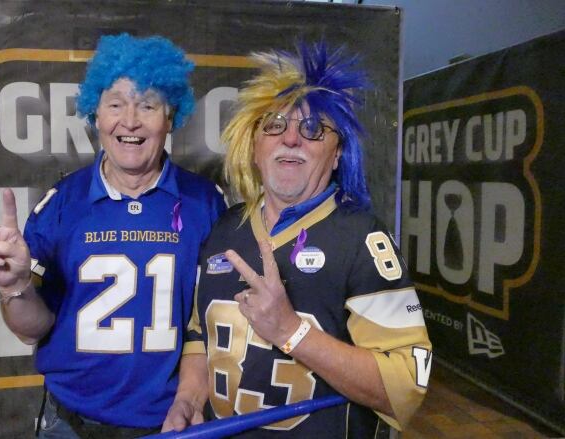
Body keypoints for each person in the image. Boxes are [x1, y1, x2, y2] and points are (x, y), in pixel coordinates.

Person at [163, 41, 432, 438]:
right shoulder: (224, 229)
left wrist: (292, 331)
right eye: (274, 124)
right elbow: (199, 336)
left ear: (338, 153)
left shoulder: (362, 238)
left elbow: (407, 385)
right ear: (254, 146)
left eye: (312, 128)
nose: (291, 138)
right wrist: (187, 398)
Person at [0, 33, 226, 438]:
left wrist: (191, 398)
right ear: (96, 114)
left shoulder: (206, 203)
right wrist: (14, 287)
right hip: (71, 421)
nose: (130, 120)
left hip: (170, 423)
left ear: (170, 116)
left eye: (148, 104)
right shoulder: (61, 204)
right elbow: (29, 328)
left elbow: (215, 325)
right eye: (116, 104)